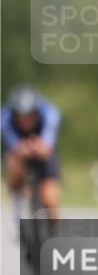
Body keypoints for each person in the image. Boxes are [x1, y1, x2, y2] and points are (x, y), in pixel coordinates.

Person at [2, 85, 62, 222]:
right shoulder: (5, 118)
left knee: (50, 199)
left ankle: (54, 231)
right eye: (21, 116)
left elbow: (49, 139)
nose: (26, 121)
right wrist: (20, 148)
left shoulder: (50, 113)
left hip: (43, 148)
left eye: (30, 115)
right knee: (13, 164)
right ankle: (17, 210)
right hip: (18, 150)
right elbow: (11, 140)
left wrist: (43, 146)